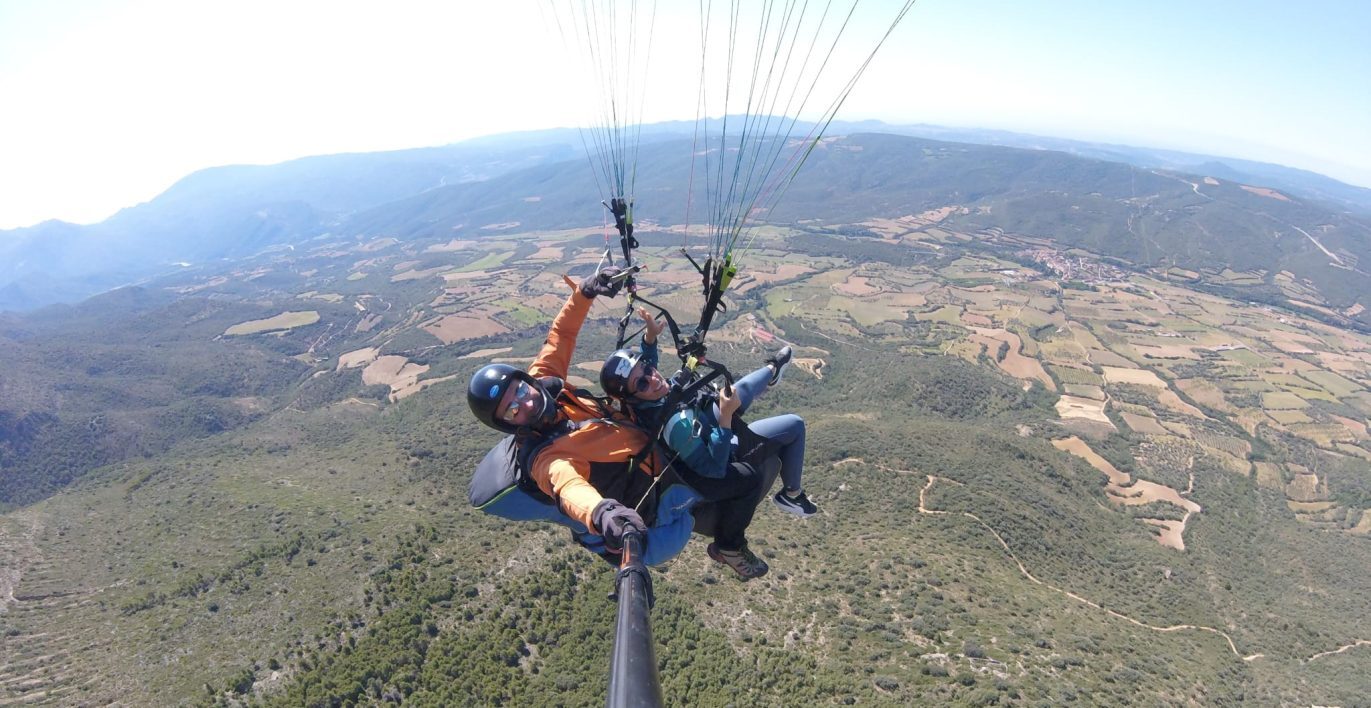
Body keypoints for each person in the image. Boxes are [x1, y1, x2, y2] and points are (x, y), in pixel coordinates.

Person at [600, 309, 817, 577]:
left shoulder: (642, 402)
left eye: (647, 368)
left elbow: (644, 370)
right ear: (633, 396)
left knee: (732, 393)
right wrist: (725, 417)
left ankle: (771, 371)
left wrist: (650, 338)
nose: (653, 377)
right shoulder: (677, 426)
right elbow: (714, 468)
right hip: (701, 473)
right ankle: (732, 544)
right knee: (756, 470)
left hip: (694, 433)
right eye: (642, 382)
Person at [466, 267, 653, 557]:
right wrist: (602, 513)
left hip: (640, 432)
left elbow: (562, 335)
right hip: (648, 478)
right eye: (512, 410)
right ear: (507, 425)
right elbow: (567, 485)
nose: (525, 403)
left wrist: (585, 291)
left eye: (520, 391)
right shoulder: (545, 458)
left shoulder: (543, 381)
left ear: (527, 380)